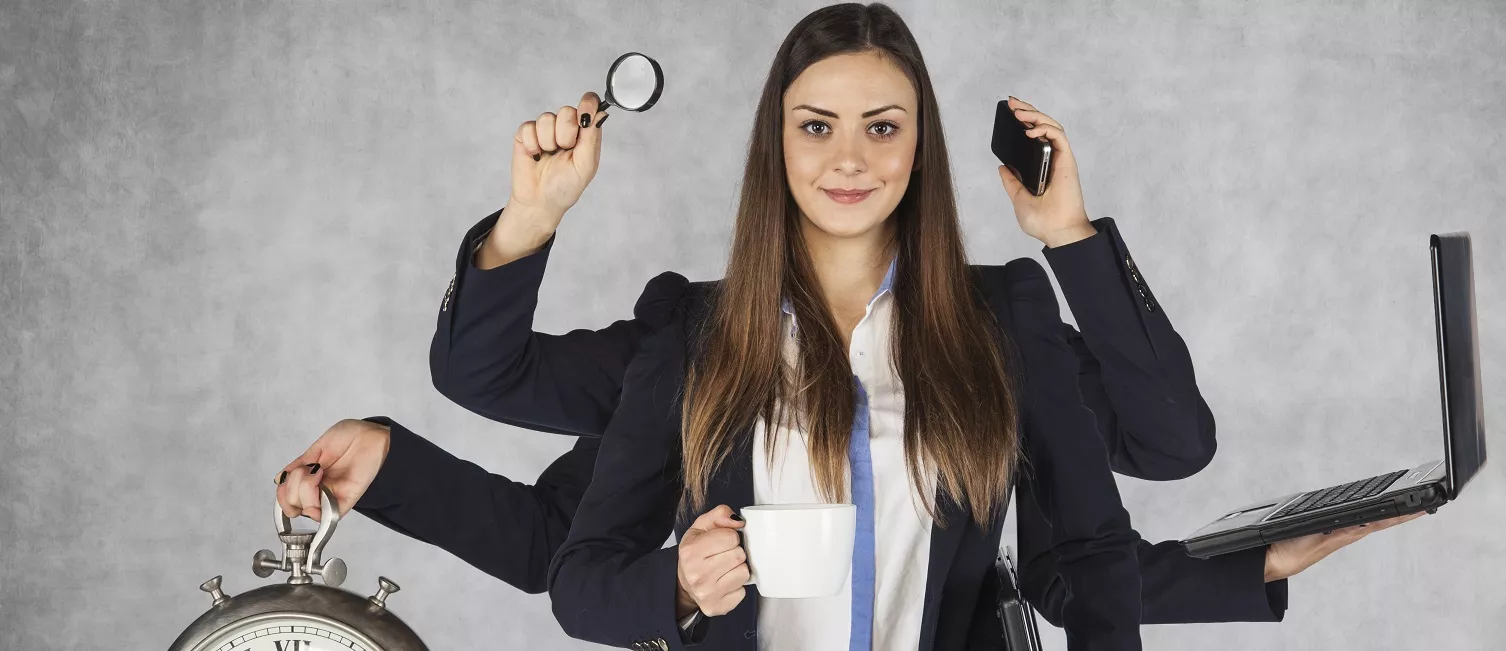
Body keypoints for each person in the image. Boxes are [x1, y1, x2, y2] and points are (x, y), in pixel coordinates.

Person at [274, 2, 1421, 648]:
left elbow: (1146, 473)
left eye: (884, 126)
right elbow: (539, 492)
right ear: (776, 141)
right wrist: (531, 218)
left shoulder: (999, 322)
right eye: (817, 126)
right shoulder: (694, 335)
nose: (850, 159)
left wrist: (1068, 237)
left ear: (920, 144)